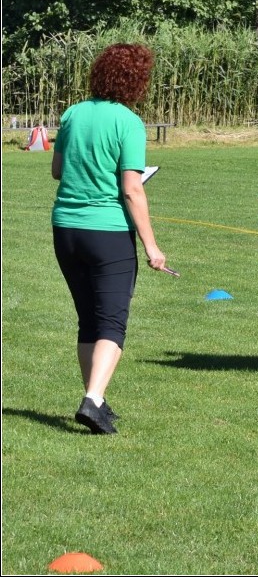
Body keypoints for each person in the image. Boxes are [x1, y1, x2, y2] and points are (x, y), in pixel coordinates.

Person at [51, 43, 167, 434]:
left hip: (66, 230)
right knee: (112, 322)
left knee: (88, 319)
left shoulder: (72, 114)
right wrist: (152, 246)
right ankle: (92, 399)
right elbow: (132, 189)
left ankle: (97, 401)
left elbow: (57, 170)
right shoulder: (128, 122)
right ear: (137, 82)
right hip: (108, 233)